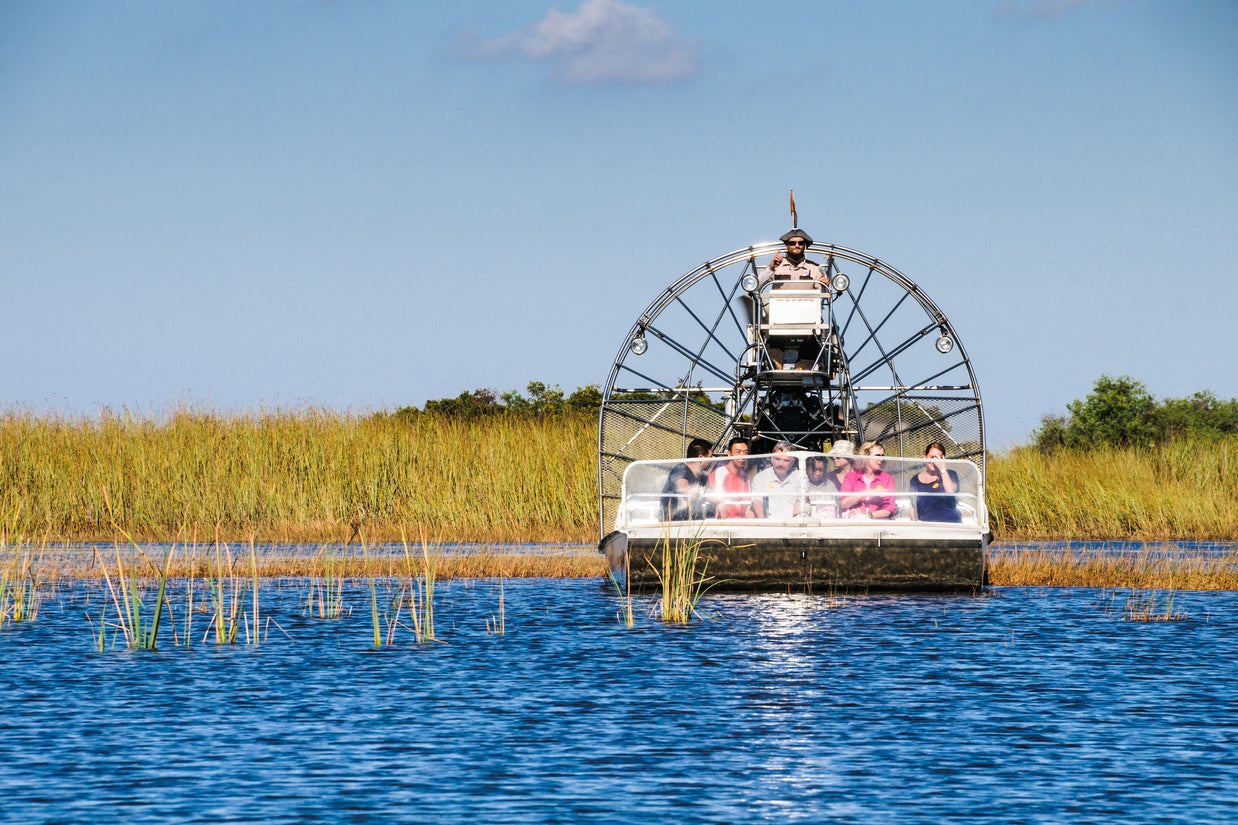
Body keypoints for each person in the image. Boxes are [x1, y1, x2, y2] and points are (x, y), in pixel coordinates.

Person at [757, 228, 831, 370]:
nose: (796, 245)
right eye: (793, 243)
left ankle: (804, 365)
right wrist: (770, 268)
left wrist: (824, 284)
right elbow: (756, 285)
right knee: (768, 323)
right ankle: (774, 362)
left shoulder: (814, 269)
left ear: (804, 246)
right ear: (786, 246)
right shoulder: (777, 268)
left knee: (815, 335)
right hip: (779, 315)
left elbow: (824, 296)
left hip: (806, 315)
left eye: (800, 243)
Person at [660, 438, 713, 521]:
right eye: (710, 457)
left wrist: (720, 501)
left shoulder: (702, 477)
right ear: (700, 458)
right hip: (673, 523)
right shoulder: (680, 470)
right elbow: (683, 488)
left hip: (691, 521)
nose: (712, 461)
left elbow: (712, 492)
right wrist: (696, 492)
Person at [840, 441, 896, 519]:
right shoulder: (851, 477)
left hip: (878, 524)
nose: (881, 459)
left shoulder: (887, 478)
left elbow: (889, 508)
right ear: (865, 456)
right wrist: (866, 493)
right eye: (877, 456)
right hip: (855, 523)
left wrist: (868, 515)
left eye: (882, 456)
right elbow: (843, 504)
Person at [910, 442, 962, 523]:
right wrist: (914, 524)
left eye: (938, 458)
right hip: (926, 525)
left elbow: (951, 492)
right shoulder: (915, 480)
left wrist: (943, 470)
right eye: (931, 457)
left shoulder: (951, 474)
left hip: (950, 523)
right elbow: (912, 506)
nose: (934, 461)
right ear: (925, 457)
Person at [751, 441, 805, 520]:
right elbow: (756, 502)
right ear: (772, 459)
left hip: (794, 525)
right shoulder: (760, 477)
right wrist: (764, 523)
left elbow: (802, 500)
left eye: (786, 460)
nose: (780, 464)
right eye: (777, 459)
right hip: (769, 525)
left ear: (792, 462)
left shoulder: (800, 476)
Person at [709, 437, 754, 519]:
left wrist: (748, 511)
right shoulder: (719, 473)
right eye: (738, 452)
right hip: (723, 523)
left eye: (745, 453)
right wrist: (718, 504)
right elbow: (712, 498)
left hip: (741, 524)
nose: (742, 456)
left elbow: (747, 501)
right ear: (729, 454)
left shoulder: (745, 477)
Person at [800, 455, 839, 519]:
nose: (818, 473)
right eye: (814, 470)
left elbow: (836, 507)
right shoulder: (801, 485)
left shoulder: (830, 485)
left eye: (821, 470)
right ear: (806, 469)